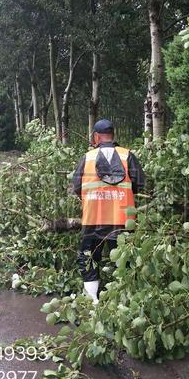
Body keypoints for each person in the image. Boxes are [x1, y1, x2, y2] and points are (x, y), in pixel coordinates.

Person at [73, 119, 145, 303]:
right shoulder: (127, 155)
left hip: (92, 220)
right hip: (122, 219)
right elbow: (140, 184)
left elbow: (77, 187)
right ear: (113, 135)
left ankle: (92, 302)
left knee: (89, 258)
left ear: (96, 137)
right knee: (125, 260)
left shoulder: (87, 158)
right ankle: (126, 300)